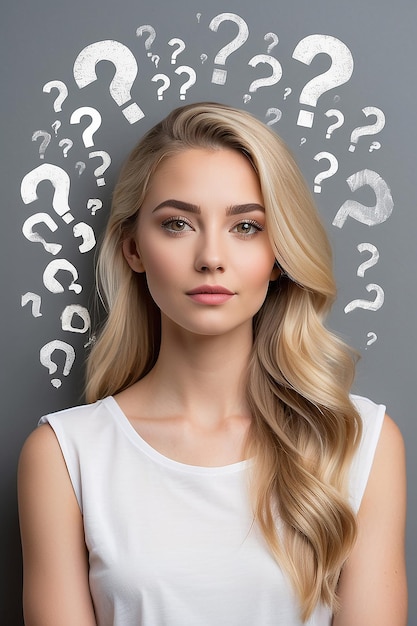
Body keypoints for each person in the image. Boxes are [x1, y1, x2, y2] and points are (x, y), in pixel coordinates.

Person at [18, 102, 407, 625]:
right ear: (133, 248)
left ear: (279, 255)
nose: (211, 257)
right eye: (177, 223)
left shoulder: (359, 442)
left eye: (245, 227)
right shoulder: (65, 456)